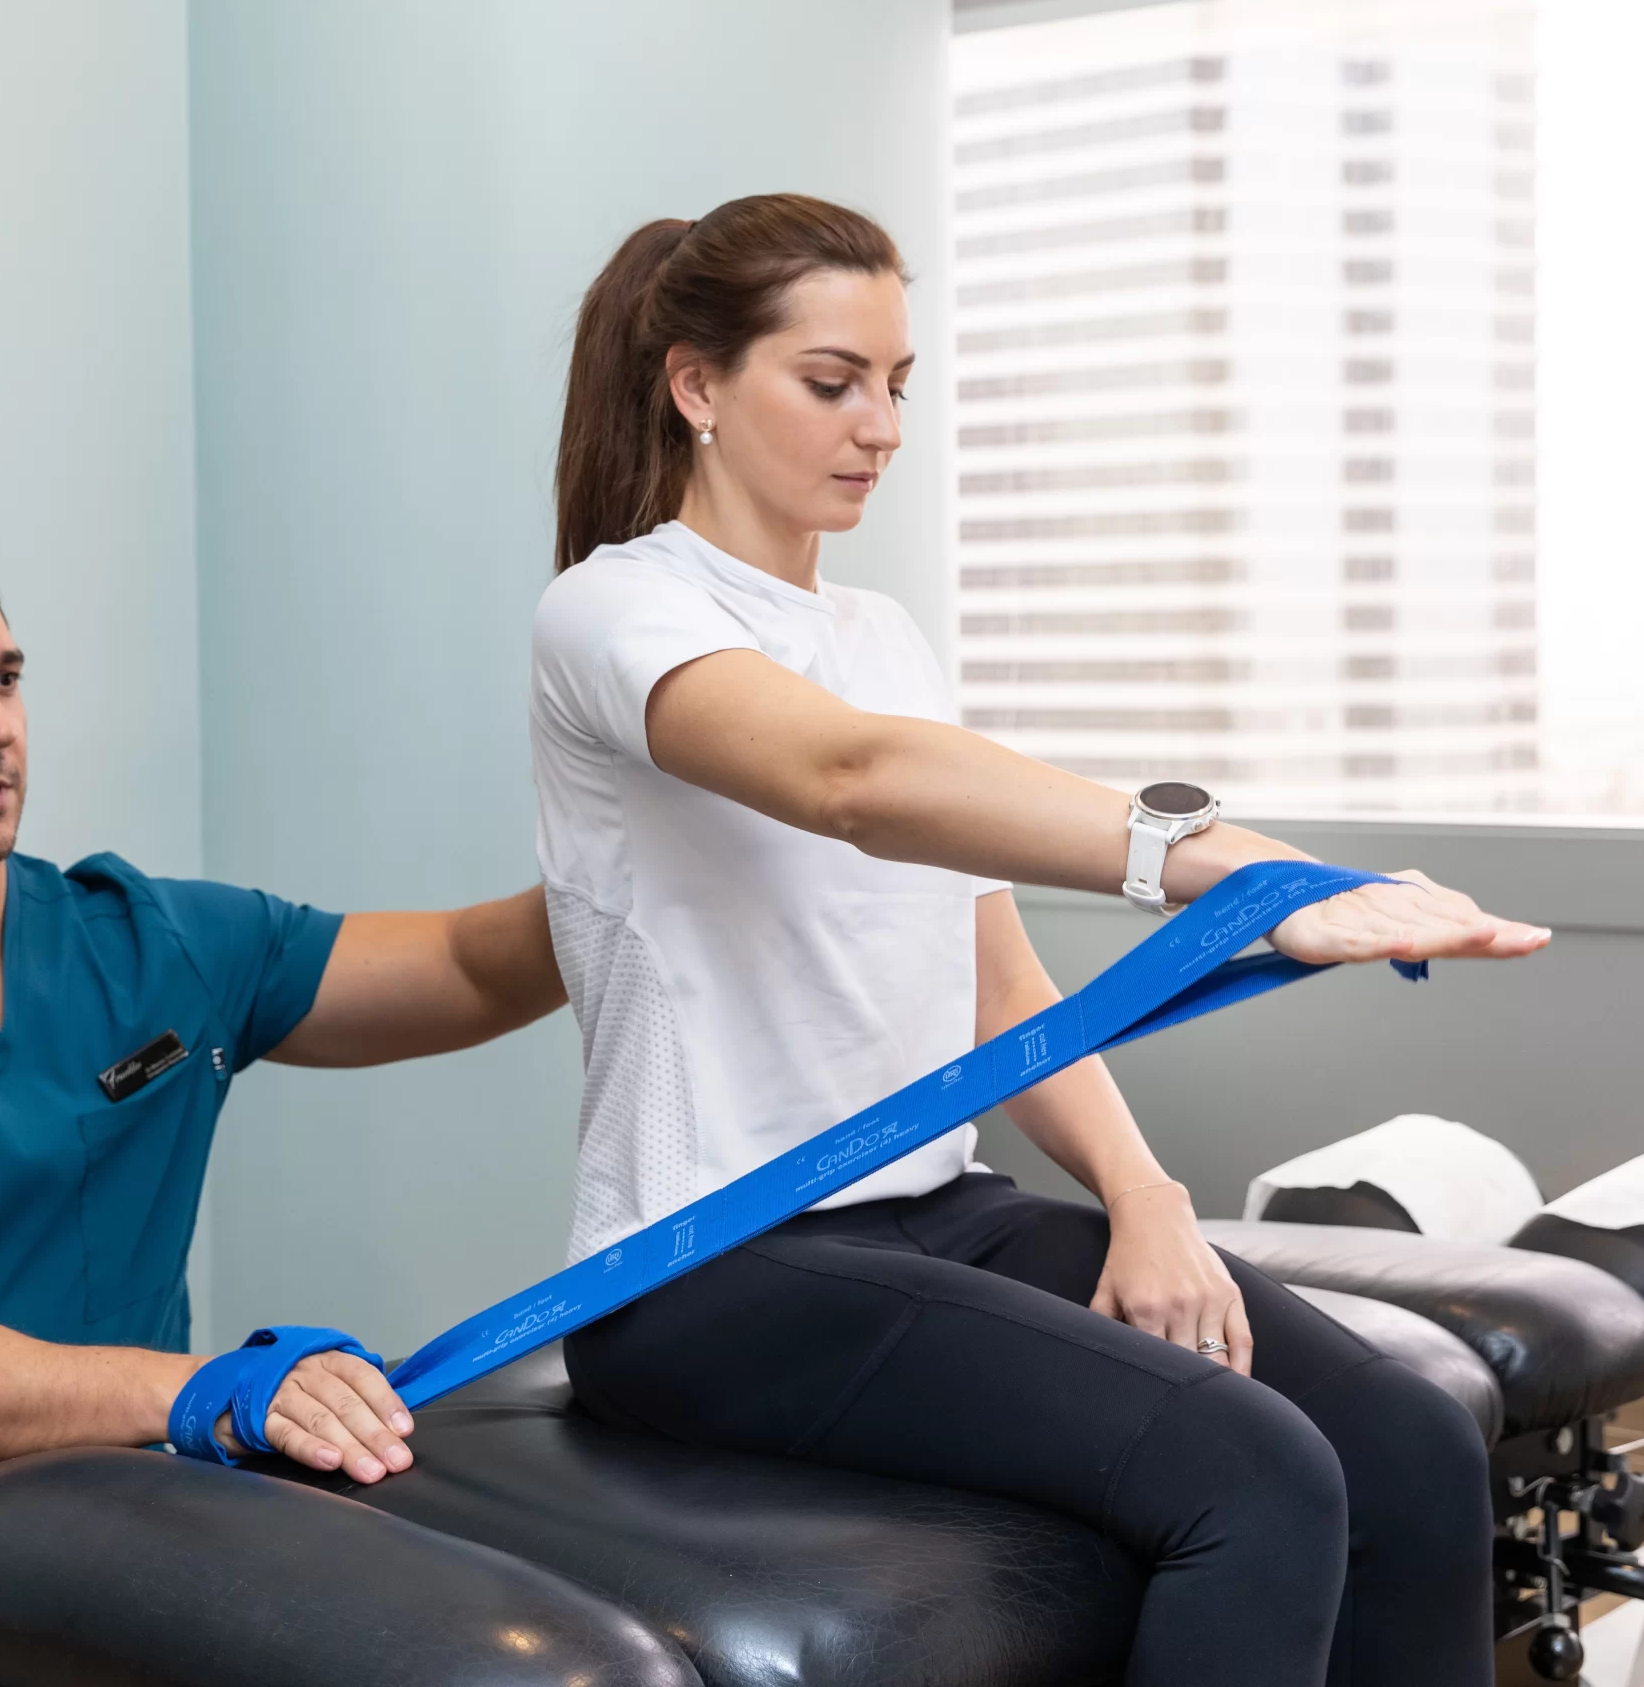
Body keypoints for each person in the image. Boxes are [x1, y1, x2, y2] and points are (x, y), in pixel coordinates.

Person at [533, 196, 1553, 1687]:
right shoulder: (615, 612)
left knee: (1406, 1441)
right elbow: (850, 782)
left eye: (898, 382)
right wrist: (1214, 863)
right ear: (696, 384)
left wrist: (1149, 1196)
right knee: (1255, 1473)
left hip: (935, 1205)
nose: (879, 424)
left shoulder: (884, 637)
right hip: (711, 1269)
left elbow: (995, 978)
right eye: (832, 382)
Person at [0, 528, 564, 1687]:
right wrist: (197, 1392)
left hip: (136, 1505)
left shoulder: (151, 942)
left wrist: (647, 843)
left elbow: (474, 965)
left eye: (5, 679)